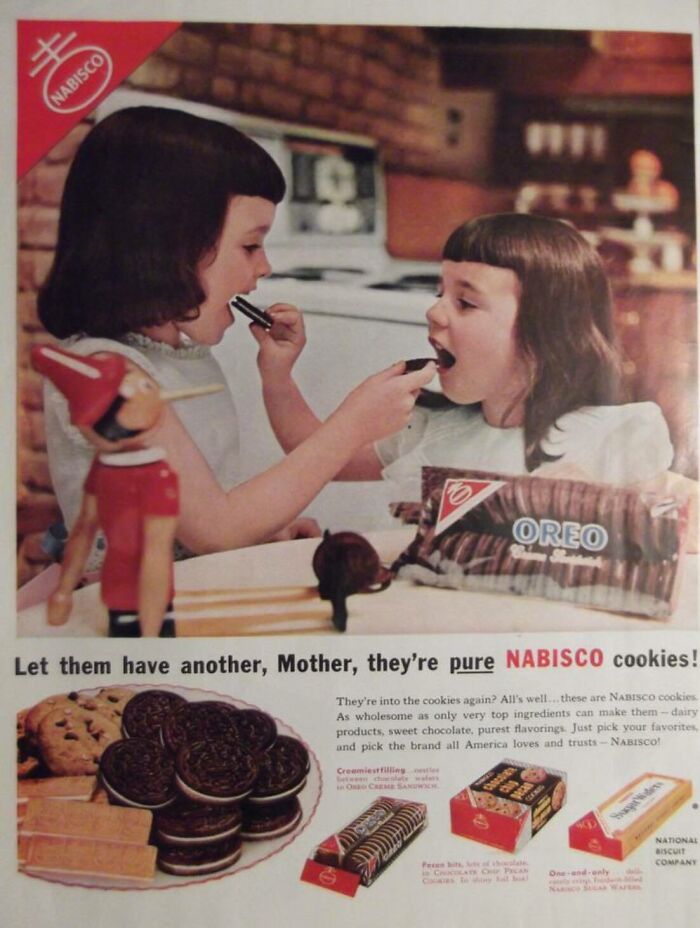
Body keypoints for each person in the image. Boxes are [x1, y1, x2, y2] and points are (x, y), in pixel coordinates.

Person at [37, 106, 435, 567]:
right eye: (250, 245)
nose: (265, 267)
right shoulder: (108, 377)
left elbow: (199, 515)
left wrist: (263, 529)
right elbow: (215, 528)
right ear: (164, 245)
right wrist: (352, 425)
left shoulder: (182, 359)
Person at [256, 212, 684, 507]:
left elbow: (678, 527)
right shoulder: (431, 429)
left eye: (465, 302)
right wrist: (278, 375)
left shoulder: (613, 437)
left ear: (544, 330)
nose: (434, 312)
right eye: (439, 293)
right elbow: (316, 456)